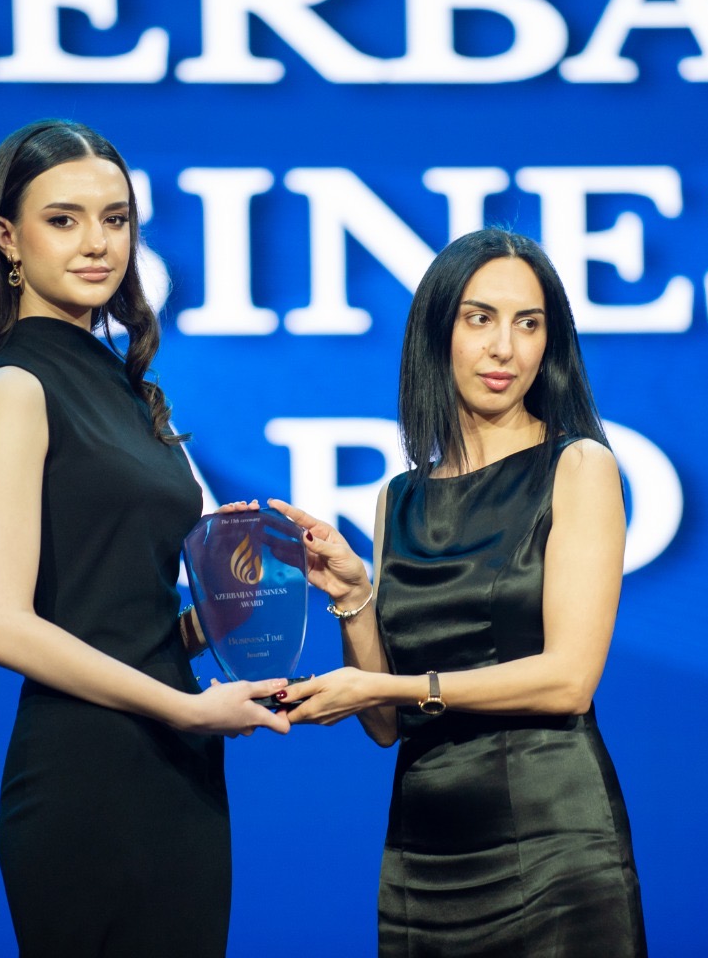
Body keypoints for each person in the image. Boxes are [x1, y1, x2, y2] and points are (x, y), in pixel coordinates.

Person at [0, 119, 288, 957]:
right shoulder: (14, 386)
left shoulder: (126, 386)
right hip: (87, 774)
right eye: (63, 219)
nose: (97, 243)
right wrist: (187, 707)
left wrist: (252, 592)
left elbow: (124, 621)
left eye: (116, 219)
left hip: (177, 770)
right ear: (7, 238)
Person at [270, 229, 646, 957]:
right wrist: (355, 598)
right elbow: (386, 725)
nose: (505, 348)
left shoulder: (578, 466)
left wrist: (391, 686)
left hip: (554, 847)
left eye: (528, 323)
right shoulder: (399, 498)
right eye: (480, 319)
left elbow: (569, 681)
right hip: (424, 858)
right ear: (438, 332)